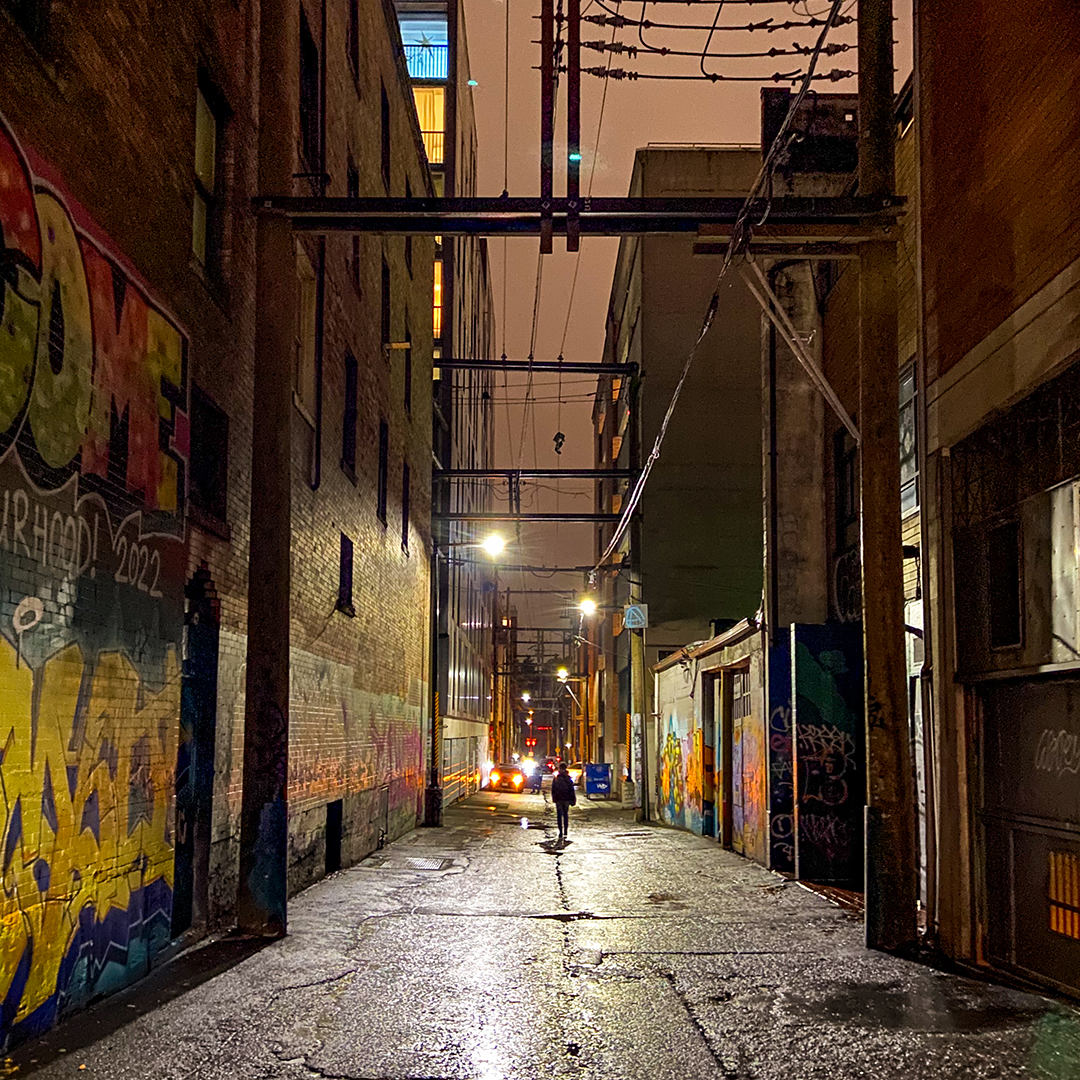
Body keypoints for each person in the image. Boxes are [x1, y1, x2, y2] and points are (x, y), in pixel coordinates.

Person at [551, 762, 577, 839]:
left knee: (559, 815)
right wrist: (573, 800)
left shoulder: (557, 778)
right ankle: (565, 831)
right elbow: (571, 790)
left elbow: (553, 789)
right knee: (565, 815)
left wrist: (554, 798)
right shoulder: (568, 778)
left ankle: (561, 832)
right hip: (566, 799)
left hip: (559, 799)